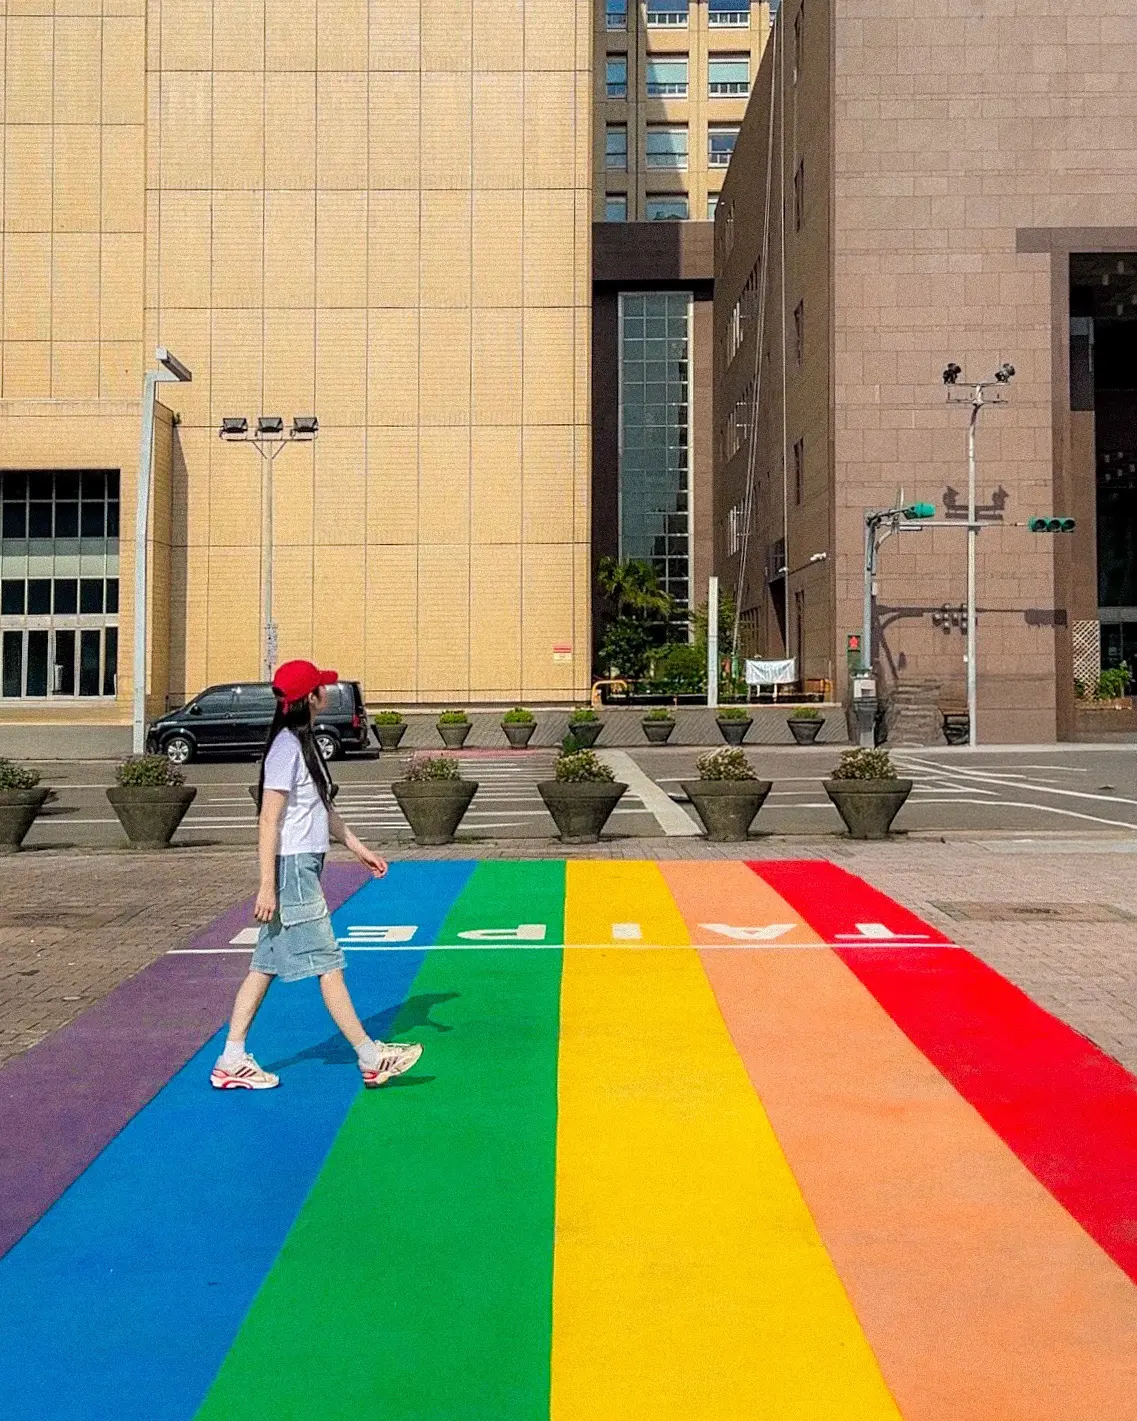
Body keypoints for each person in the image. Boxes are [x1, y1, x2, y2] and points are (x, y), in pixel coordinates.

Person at [211, 659, 421, 1091]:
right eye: (322, 688)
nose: (328, 693)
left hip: (301, 867)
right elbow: (268, 819)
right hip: (292, 873)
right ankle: (371, 1056)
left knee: (264, 965)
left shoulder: (300, 744)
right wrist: (267, 885)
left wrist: (359, 849)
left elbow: (321, 811)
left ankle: (231, 1058)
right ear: (309, 699)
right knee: (329, 964)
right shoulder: (286, 747)